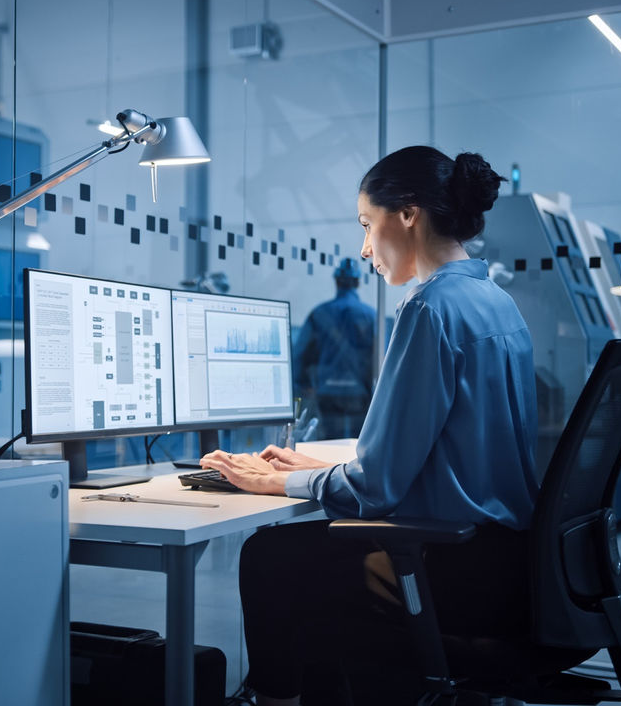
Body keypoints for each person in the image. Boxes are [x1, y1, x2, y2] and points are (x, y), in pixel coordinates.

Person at [201, 146, 539, 706]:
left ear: (407, 214)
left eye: (366, 224)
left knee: (268, 555)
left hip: (449, 568)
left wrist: (273, 481)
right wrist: (322, 469)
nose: (363, 249)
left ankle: (274, 701)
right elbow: (448, 458)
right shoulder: (495, 301)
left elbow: (374, 489)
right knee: (306, 561)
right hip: (503, 560)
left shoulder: (429, 308)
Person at [293, 257, 376, 439]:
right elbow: (382, 358)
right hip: (360, 394)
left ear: (337, 281)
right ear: (358, 282)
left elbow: (300, 353)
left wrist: (303, 384)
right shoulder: (370, 315)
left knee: (329, 445)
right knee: (359, 446)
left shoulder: (320, 313)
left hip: (327, 393)